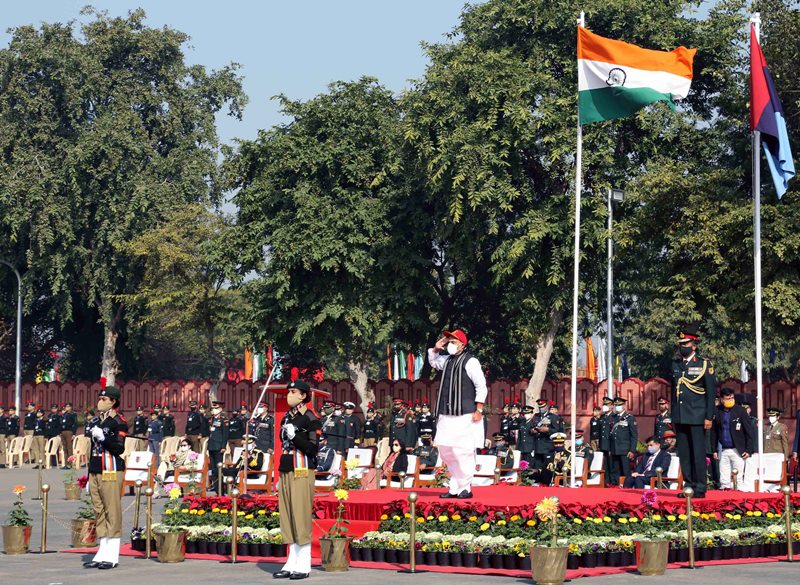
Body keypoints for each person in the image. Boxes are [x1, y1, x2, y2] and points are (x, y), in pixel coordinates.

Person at [428, 328, 487, 499]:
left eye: (453, 342)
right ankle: (456, 484)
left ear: (462, 344)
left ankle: (464, 487)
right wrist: (437, 347)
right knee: (446, 449)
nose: (450, 345)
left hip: (465, 413)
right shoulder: (447, 360)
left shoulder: (471, 361)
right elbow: (433, 361)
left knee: (463, 450)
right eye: (449, 342)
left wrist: (479, 409)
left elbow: (481, 386)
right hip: (446, 413)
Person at [273, 379, 321, 581]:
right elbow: (281, 441)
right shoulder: (287, 416)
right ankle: (291, 560)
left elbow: (312, 447)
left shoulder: (311, 417)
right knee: (288, 516)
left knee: (300, 515)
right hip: (286, 468)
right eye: (289, 391)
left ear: (303, 395)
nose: (289, 395)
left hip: (302, 469)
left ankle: (304, 562)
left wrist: (295, 437)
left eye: (293, 391)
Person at [83, 384, 128, 570]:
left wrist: (104, 438)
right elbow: (90, 450)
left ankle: (112, 553)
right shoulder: (96, 421)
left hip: (110, 470)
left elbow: (119, 448)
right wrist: (88, 477)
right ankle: (102, 549)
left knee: (112, 510)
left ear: (113, 401)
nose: (100, 402)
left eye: (103, 399)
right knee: (99, 510)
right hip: (95, 469)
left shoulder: (119, 421)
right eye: (100, 399)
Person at [671, 326, 716, 499]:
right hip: (681, 415)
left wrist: (708, 417)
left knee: (698, 453)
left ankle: (700, 487)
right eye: (681, 343)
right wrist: (673, 414)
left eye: (686, 343)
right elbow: (673, 392)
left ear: (694, 345)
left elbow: (710, 393)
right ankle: (688, 486)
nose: (683, 346)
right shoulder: (676, 364)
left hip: (697, 416)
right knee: (684, 454)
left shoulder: (704, 364)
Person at [713, 387, 755, 490]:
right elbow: (714, 432)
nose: (730, 400)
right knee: (724, 479)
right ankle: (724, 499)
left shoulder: (740, 411)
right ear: (722, 400)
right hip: (723, 449)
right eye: (728, 398)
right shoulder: (717, 411)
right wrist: (714, 449)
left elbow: (749, 432)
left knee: (738, 478)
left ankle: (739, 501)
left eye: (732, 398)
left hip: (738, 449)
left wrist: (748, 450)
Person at [608, 397, 638, 486]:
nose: (617, 407)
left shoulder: (629, 418)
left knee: (625, 470)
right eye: (616, 405)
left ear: (624, 406)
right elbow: (611, 435)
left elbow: (634, 436)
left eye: (619, 405)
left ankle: (627, 486)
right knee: (615, 470)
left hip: (625, 449)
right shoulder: (613, 418)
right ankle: (615, 485)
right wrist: (610, 448)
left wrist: (632, 450)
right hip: (614, 448)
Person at [532, 398, 565, 470]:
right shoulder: (536, 416)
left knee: (547, 468)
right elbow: (532, 427)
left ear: (546, 406)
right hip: (537, 446)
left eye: (542, 407)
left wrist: (548, 430)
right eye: (539, 407)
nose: (541, 408)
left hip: (548, 447)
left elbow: (557, 431)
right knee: (537, 468)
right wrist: (532, 431)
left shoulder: (553, 417)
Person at [207, 400, 229, 494]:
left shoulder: (224, 419)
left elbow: (225, 434)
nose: (213, 410)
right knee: (213, 469)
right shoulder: (211, 419)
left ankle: (221, 490)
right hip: (211, 446)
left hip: (219, 447)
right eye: (213, 408)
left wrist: (223, 446)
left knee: (219, 468)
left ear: (220, 409)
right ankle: (216, 489)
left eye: (215, 408)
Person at [61, 402, 78, 468]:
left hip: (69, 432)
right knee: (65, 449)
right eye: (66, 406)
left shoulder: (73, 414)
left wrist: (74, 433)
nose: (67, 408)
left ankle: (70, 464)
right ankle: (66, 464)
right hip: (63, 432)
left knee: (69, 448)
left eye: (68, 406)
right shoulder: (63, 414)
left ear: (71, 407)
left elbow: (75, 424)